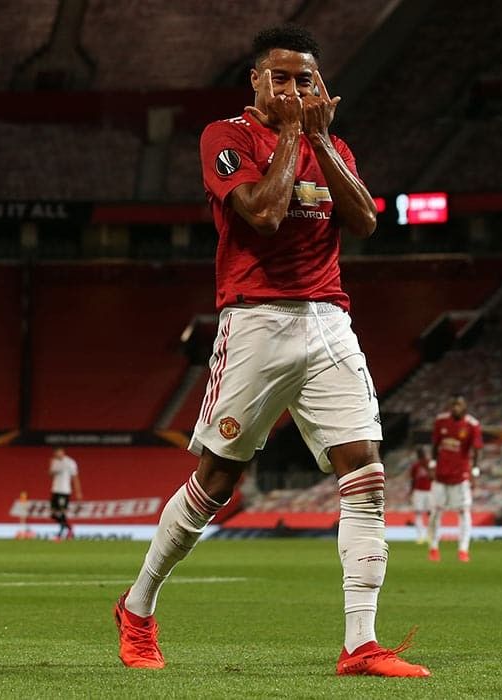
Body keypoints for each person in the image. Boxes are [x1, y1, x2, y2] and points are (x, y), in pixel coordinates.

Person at [113, 25, 428, 678]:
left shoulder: (333, 144)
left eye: (304, 79)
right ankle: (137, 607)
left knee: (365, 474)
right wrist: (290, 135)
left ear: (320, 86)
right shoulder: (225, 137)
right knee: (216, 482)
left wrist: (319, 140)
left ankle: (360, 644)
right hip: (255, 321)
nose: (291, 89)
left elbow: (366, 221)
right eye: (279, 77)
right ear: (255, 81)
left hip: (329, 322)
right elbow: (262, 213)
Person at [427, 396, 482, 563]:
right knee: (436, 511)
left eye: (459, 405)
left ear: (465, 407)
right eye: (453, 405)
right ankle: (433, 548)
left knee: (464, 511)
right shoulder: (441, 421)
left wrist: (474, 471)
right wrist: (432, 464)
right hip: (441, 475)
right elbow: (435, 444)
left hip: (460, 475)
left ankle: (463, 550)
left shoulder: (472, 425)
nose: (455, 408)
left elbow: (477, 449)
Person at [49, 448, 82, 541]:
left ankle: (61, 533)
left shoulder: (70, 462)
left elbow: (75, 477)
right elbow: (50, 474)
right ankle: (69, 529)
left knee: (62, 512)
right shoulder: (54, 462)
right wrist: (51, 467)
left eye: (59, 452)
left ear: (63, 452)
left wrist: (78, 491)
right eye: (56, 453)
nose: (58, 454)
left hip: (64, 491)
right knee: (53, 514)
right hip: (55, 490)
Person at [408, 446, 434, 545]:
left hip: (429, 491)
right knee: (418, 513)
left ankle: (430, 535)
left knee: (430, 513)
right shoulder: (415, 466)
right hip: (418, 491)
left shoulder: (430, 464)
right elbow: (413, 480)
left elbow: (433, 477)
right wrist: (411, 491)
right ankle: (420, 536)